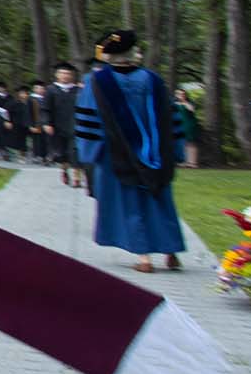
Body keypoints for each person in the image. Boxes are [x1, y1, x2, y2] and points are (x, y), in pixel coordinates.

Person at [75, 28, 185, 272]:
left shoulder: (96, 82)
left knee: (131, 203)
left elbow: (88, 123)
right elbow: (172, 118)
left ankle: (144, 258)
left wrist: (88, 154)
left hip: (116, 155)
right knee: (160, 200)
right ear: (133, 53)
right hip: (156, 155)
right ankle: (172, 252)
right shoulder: (154, 80)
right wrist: (175, 151)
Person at [42, 62, 84, 187]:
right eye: (62, 73)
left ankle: (77, 177)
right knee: (62, 152)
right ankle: (64, 170)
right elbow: (45, 108)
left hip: (75, 125)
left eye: (68, 73)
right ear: (57, 75)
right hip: (57, 126)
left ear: (72, 75)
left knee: (75, 151)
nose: (65, 76)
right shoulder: (51, 90)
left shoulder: (78, 90)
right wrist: (46, 123)